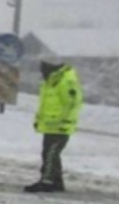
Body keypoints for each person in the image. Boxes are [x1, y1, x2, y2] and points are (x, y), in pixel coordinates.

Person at [25, 59, 83, 193]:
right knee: (49, 153)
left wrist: (65, 121)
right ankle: (56, 182)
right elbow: (46, 105)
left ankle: (48, 181)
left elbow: (72, 103)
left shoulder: (65, 81)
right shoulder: (51, 83)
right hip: (51, 126)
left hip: (60, 126)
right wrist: (39, 120)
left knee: (51, 153)